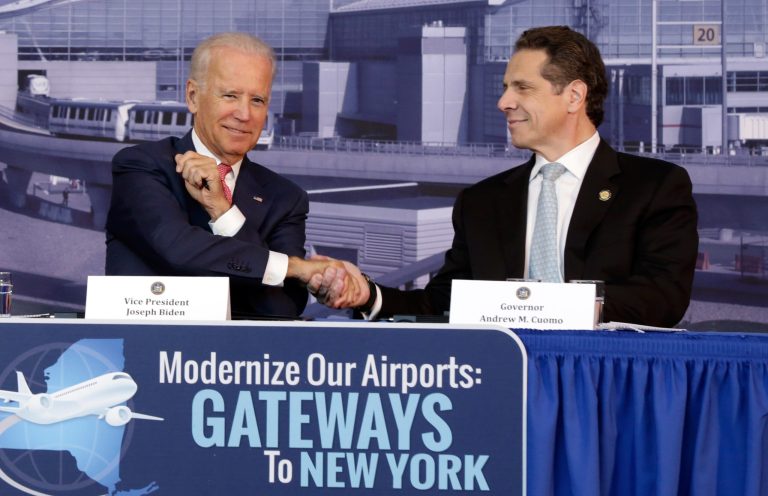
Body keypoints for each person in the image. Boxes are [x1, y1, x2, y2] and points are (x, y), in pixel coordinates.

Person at [311, 25, 699, 328]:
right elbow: (441, 305)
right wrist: (368, 296)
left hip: (600, 390)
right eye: (504, 88)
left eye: (522, 88)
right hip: (501, 392)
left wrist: (545, 307)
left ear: (574, 96)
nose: (503, 102)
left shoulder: (654, 187)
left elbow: (663, 298)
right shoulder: (482, 202)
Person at [106, 32, 356, 318]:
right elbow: (176, 249)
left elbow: (282, 307)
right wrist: (294, 267)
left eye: (257, 100)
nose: (244, 114)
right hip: (144, 355)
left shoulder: (286, 199)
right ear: (193, 97)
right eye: (230, 95)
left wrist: (223, 212)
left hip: (235, 362)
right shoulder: (141, 166)